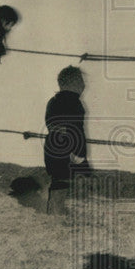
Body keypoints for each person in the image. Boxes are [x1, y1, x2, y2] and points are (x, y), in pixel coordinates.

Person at [44, 65, 91, 215]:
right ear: (75, 84)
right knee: (77, 177)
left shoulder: (52, 101)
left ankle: (54, 210)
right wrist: (79, 153)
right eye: (81, 81)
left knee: (58, 179)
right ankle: (64, 210)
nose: (84, 85)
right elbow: (76, 129)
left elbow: (52, 124)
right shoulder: (75, 103)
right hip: (70, 148)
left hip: (52, 146)